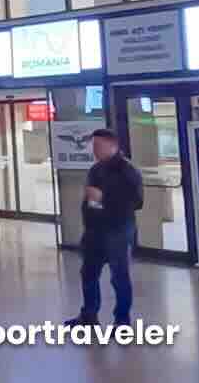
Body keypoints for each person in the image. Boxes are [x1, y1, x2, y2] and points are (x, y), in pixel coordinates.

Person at [65, 129, 144, 328]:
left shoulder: (128, 171)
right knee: (88, 273)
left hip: (118, 230)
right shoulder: (95, 170)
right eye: (93, 146)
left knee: (119, 276)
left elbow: (136, 201)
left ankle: (122, 321)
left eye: (99, 146)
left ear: (113, 146)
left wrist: (104, 198)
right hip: (95, 232)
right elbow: (90, 200)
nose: (95, 150)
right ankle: (89, 316)